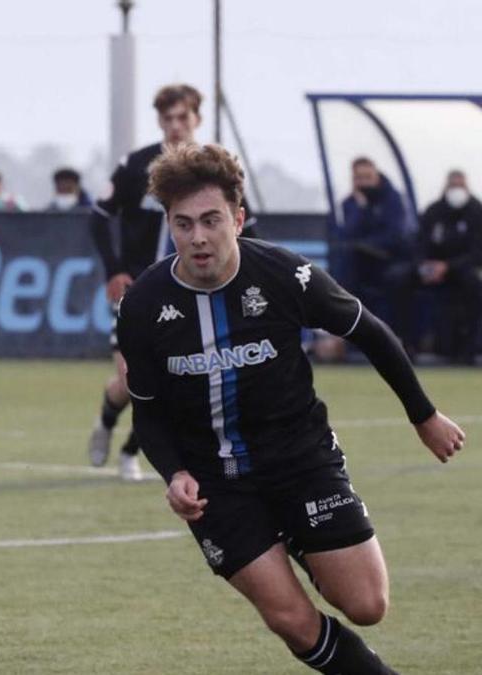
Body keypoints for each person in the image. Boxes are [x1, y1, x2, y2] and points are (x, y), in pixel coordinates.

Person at [118, 142, 465, 673]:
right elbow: (147, 408)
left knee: (367, 606)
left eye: (211, 220)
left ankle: (304, 542)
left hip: (301, 461)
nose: (199, 237)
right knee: (290, 619)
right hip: (217, 484)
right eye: (183, 224)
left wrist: (424, 415)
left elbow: (369, 332)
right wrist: (175, 473)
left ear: (238, 217)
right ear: (169, 226)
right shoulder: (143, 304)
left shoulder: (284, 275)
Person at [87, 83, 261, 480]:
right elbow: (98, 216)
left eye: (183, 117)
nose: (176, 126)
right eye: (168, 119)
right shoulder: (137, 165)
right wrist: (114, 268)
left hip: (198, 290)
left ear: (197, 119)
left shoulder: (215, 169)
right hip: (139, 292)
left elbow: (246, 229)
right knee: (132, 379)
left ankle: (132, 452)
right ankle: (106, 421)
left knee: (178, 380)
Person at [392, 170, 482, 362]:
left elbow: (477, 253)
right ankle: (405, 344)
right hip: (430, 270)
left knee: (474, 285)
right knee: (399, 279)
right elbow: (419, 243)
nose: (456, 191)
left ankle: (468, 350)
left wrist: (448, 266)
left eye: (460, 186)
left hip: (460, 271)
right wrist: (423, 265)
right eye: (453, 186)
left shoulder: (477, 212)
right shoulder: (433, 211)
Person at [335, 157, 408, 325]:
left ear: (376, 176)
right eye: (359, 178)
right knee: (346, 267)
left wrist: (369, 244)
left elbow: (395, 234)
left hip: (388, 258)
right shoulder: (350, 204)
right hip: (360, 259)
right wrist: (362, 208)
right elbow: (348, 233)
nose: (364, 183)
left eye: (368, 177)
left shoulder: (393, 199)